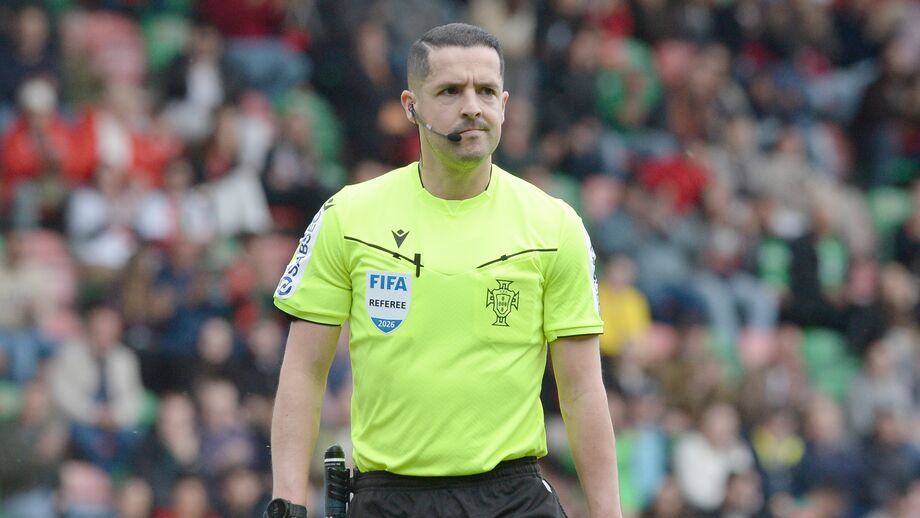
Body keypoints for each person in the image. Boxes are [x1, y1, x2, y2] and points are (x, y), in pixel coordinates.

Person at [267, 23, 622, 518]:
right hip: (387, 499)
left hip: (513, 497)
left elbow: (583, 391)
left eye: (486, 91)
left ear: (505, 103)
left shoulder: (555, 225)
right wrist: (288, 500)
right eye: (451, 91)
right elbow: (305, 370)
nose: (472, 106)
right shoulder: (348, 217)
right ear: (411, 105)